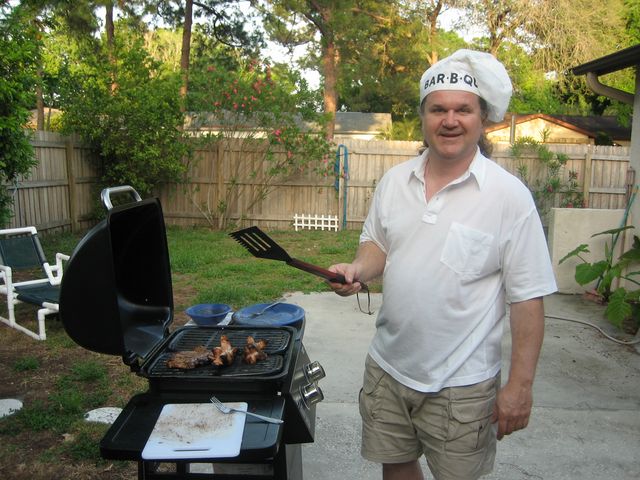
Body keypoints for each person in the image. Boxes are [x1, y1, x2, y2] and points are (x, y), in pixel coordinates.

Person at [328, 49, 557, 480]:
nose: (450, 120)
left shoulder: (508, 197)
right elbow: (377, 244)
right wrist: (357, 269)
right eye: (438, 110)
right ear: (423, 117)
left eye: (462, 110)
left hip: (463, 387)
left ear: (482, 118)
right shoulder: (395, 181)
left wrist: (520, 386)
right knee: (396, 466)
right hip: (388, 368)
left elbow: (528, 299)